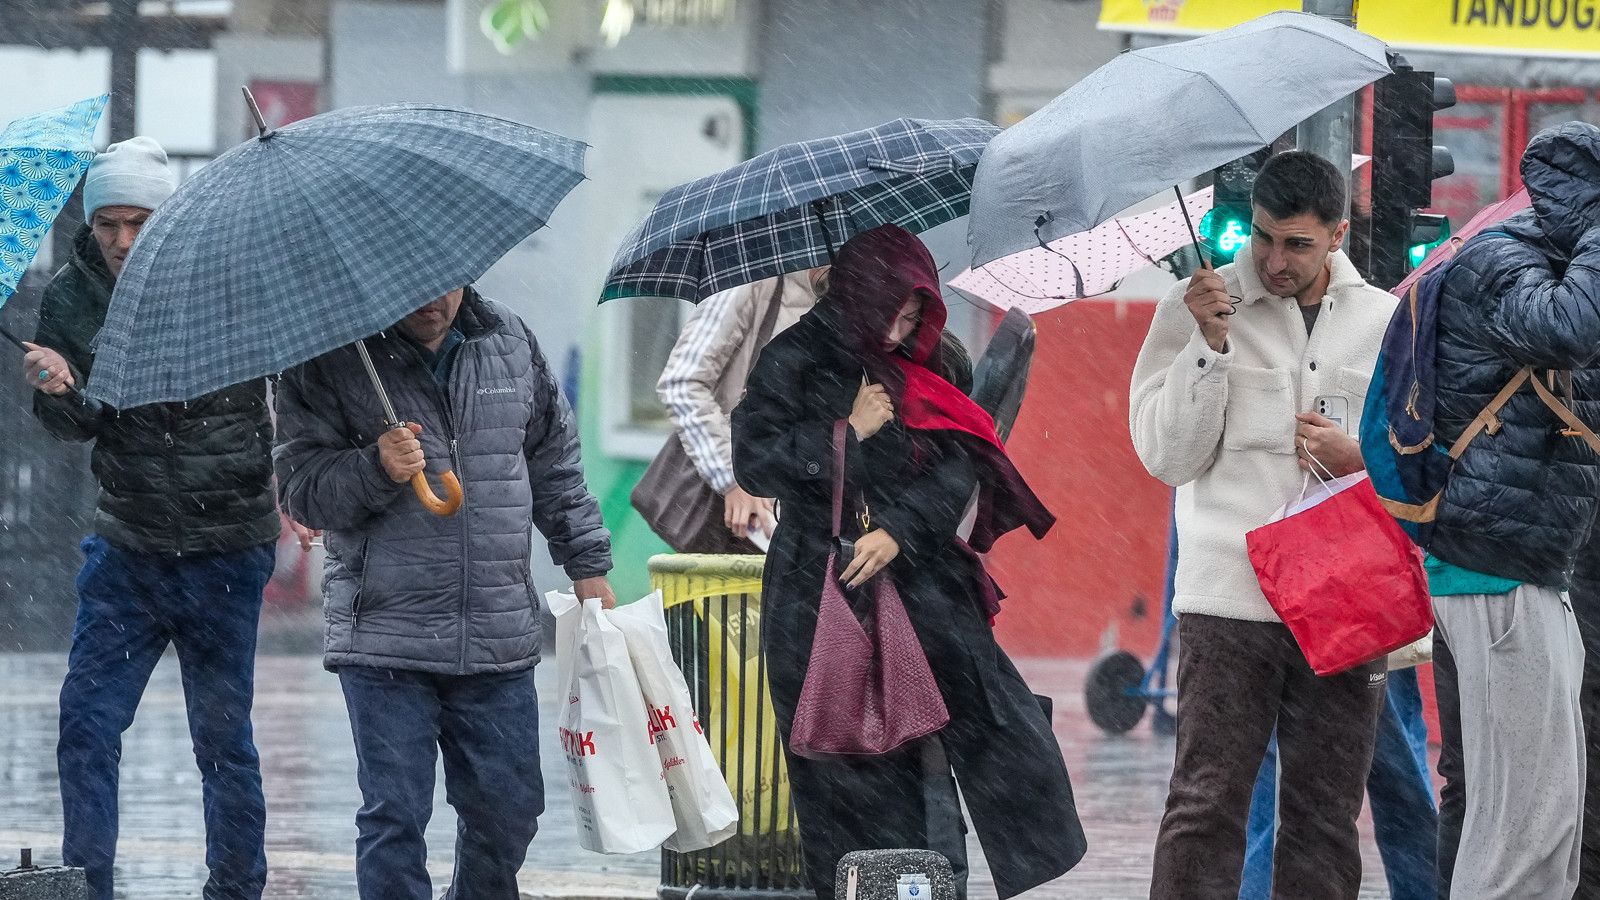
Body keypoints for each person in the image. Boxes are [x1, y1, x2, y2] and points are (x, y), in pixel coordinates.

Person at [731, 224, 1086, 900]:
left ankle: (933, 885)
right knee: (840, 763)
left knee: (941, 756)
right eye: (898, 307)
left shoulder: (937, 359)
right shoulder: (793, 360)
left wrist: (899, 530)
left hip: (924, 594)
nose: (907, 324)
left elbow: (961, 465)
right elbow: (755, 460)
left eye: (919, 309)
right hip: (817, 593)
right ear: (863, 294)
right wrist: (846, 434)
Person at [273, 284, 616, 900]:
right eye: (412, 287)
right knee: (396, 815)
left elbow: (554, 465)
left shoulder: (508, 341)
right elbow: (302, 491)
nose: (432, 300)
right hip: (385, 633)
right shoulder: (331, 356)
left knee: (509, 810)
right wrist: (374, 467)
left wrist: (587, 562)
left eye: (447, 282)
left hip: (497, 628)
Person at [1129, 150, 1399, 900]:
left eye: (1298, 244)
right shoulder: (1194, 308)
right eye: (1264, 237)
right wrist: (1208, 348)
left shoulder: (1384, 320)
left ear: (1338, 234)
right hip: (1230, 601)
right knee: (1206, 803)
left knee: (1325, 815)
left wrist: (1358, 461)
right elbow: (1164, 456)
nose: (1275, 260)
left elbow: (1415, 463)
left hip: (1341, 601)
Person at [20, 136, 282, 900]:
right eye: (109, 224)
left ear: (164, 218)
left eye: (139, 223)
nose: (123, 242)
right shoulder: (70, 295)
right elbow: (75, 425)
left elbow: (266, 395)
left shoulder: (224, 280)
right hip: (128, 542)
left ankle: (236, 888)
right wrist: (59, 386)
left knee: (222, 738)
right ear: (92, 221)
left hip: (226, 542)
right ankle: (86, 885)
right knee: (86, 726)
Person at [1423, 121, 1600, 900]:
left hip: (1540, 571)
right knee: (1516, 828)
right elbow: (1570, 330)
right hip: (1489, 573)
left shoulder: (1558, 268)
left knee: (1554, 817)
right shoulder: (1500, 264)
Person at [654, 268, 825, 550]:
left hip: (801, 521)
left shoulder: (851, 297)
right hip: (739, 514)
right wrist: (732, 478)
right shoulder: (750, 278)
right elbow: (681, 382)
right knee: (724, 592)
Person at [1239, 669, 1437, 900]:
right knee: (1396, 757)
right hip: (1357, 643)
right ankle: (1421, 890)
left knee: (1272, 778)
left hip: (1339, 644)